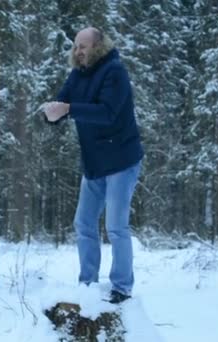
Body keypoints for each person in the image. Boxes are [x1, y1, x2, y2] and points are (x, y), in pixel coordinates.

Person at [42, 27, 144, 304]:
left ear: (99, 46)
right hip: (94, 163)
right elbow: (64, 103)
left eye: (83, 46)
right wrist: (53, 114)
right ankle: (87, 283)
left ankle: (121, 288)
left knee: (116, 227)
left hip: (122, 161)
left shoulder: (115, 72)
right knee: (84, 223)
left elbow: (108, 113)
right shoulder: (77, 74)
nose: (78, 51)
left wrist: (70, 110)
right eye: (76, 46)